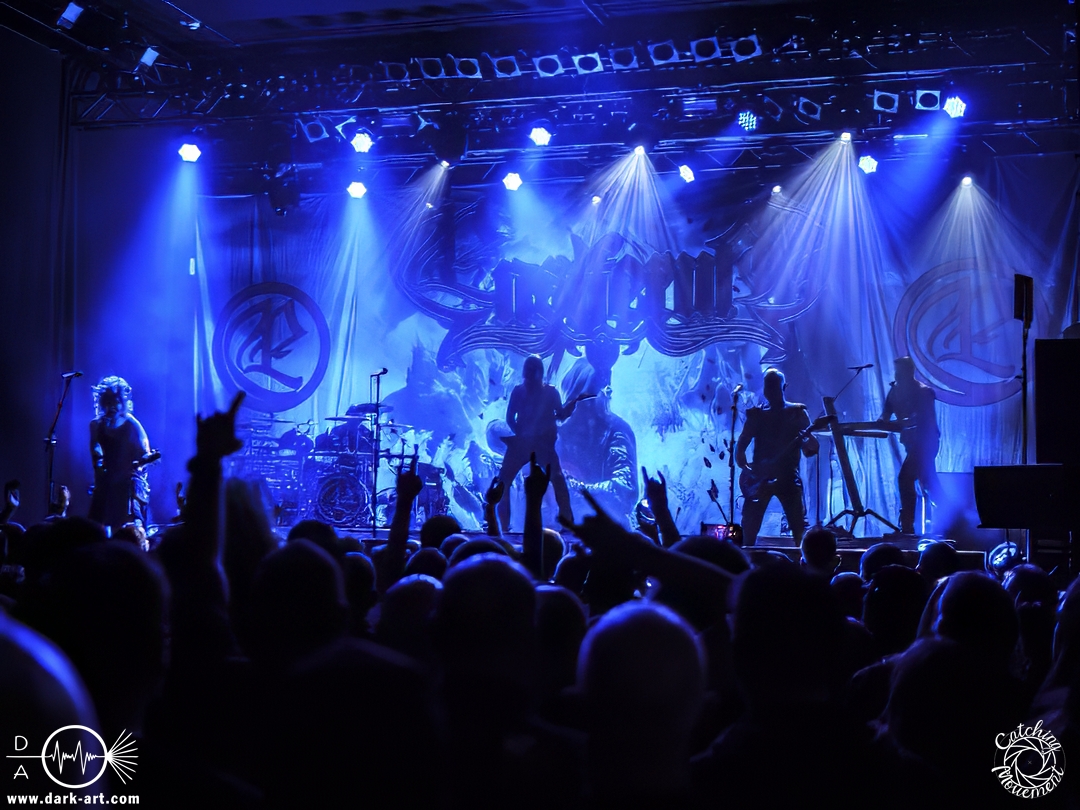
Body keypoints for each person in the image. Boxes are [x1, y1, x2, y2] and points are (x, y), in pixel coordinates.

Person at [496, 355, 582, 531]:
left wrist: (570, 407)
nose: (529, 375)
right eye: (528, 371)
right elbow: (510, 418)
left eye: (531, 371)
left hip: (540, 445)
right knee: (504, 481)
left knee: (557, 479)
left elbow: (560, 416)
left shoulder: (549, 392)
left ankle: (567, 521)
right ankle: (503, 525)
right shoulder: (520, 391)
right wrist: (522, 434)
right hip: (526, 444)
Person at [734, 368, 819, 546]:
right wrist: (749, 473)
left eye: (774, 386)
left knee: (798, 527)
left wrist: (809, 441)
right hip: (760, 480)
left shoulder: (797, 413)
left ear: (784, 387)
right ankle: (746, 557)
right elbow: (740, 448)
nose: (771, 390)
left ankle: (802, 558)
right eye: (768, 386)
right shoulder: (756, 415)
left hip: (788, 477)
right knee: (749, 528)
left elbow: (810, 450)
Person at [878, 356, 940, 536]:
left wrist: (902, 423)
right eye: (896, 371)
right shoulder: (894, 392)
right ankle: (956, 516)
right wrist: (882, 421)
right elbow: (885, 414)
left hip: (925, 443)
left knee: (905, 478)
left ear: (910, 371)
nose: (897, 375)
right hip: (911, 443)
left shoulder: (924, 392)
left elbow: (925, 420)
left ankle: (907, 526)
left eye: (900, 371)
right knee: (928, 482)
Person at [88, 376, 153, 531]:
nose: (112, 406)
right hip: (106, 482)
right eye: (108, 401)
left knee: (129, 525)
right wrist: (99, 463)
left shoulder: (131, 424)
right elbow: (95, 448)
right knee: (97, 527)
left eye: (116, 401)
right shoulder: (96, 425)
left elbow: (145, 451)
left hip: (128, 485)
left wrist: (144, 460)